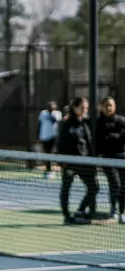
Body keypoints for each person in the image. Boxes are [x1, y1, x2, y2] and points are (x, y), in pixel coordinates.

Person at [57, 96, 98, 224]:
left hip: (85, 163)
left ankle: (80, 210)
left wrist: (94, 161)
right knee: (66, 189)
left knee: (94, 187)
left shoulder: (86, 123)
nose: (85, 110)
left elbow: (90, 142)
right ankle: (66, 216)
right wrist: (63, 161)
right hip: (70, 163)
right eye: (82, 107)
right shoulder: (66, 124)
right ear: (74, 107)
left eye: (86, 108)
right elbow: (61, 143)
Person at [95, 96, 125, 222]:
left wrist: (115, 137)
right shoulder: (98, 122)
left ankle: (122, 211)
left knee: (123, 185)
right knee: (115, 184)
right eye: (106, 105)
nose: (109, 107)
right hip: (107, 159)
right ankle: (114, 210)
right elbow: (99, 140)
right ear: (101, 107)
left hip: (121, 158)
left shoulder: (121, 120)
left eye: (111, 105)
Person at [37, 101, 63, 178]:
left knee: (52, 153)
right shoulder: (43, 113)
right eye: (49, 106)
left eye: (52, 106)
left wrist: (51, 113)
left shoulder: (57, 113)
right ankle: (48, 171)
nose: (51, 107)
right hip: (44, 137)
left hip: (54, 137)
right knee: (46, 154)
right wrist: (38, 136)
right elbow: (40, 124)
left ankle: (53, 170)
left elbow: (55, 121)